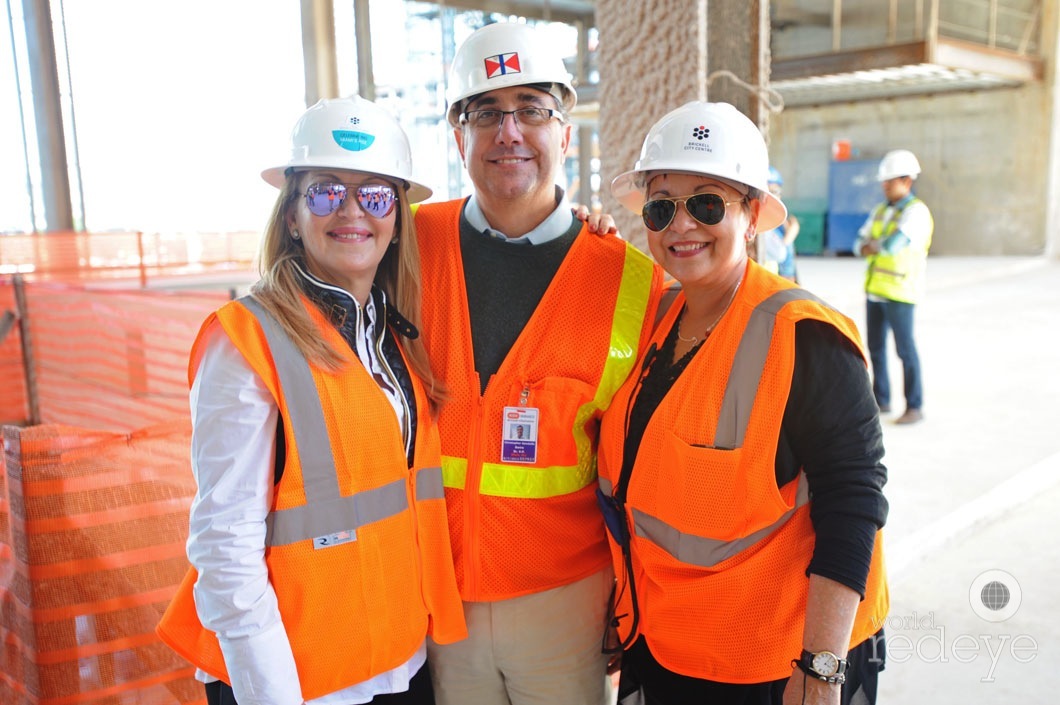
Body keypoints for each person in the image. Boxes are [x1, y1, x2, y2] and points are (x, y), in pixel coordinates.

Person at [156, 95, 467, 705]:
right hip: (296, 682)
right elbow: (225, 548)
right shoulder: (247, 340)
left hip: (396, 664)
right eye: (327, 191)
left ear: (398, 218)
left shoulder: (391, 338)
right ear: (293, 214)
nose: (352, 211)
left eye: (375, 195)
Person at [598, 101, 889, 705]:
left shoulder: (805, 335)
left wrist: (821, 669)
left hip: (776, 669)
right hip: (669, 648)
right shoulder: (654, 322)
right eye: (661, 206)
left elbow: (854, 502)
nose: (681, 226)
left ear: (753, 215)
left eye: (707, 204)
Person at [412, 21, 664, 705]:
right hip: (440, 598)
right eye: (485, 113)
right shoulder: (406, 245)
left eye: (532, 110)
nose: (509, 132)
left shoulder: (633, 282)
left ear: (567, 132)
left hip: (566, 604)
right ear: (459, 137)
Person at [853, 149, 932, 425]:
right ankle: (881, 400)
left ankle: (915, 405)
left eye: (890, 181)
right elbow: (859, 244)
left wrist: (874, 246)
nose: (884, 186)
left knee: (905, 351)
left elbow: (893, 246)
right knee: (875, 349)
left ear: (907, 181)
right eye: (884, 182)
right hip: (875, 290)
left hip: (901, 292)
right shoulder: (880, 211)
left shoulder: (917, 213)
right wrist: (874, 246)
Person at [759, 166, 800, 282]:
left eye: (776, 192)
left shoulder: (780, 220)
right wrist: (789, 237)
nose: (773, 197)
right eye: (769, 192)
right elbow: (780, 253)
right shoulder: (760, 224)